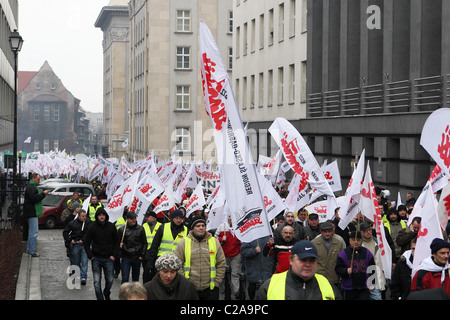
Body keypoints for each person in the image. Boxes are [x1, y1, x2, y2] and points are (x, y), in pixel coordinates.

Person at [255, 240, 341, 300]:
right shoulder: (269, 287)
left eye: (312, 260)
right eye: (303, 260)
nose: (307, 264)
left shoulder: (328, 286)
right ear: (291, 260)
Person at [175, 215, 226, 300]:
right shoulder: (183, 243)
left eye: (203, 226)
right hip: (189, 289)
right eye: (198, 226)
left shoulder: (214, 242)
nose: (201, 228)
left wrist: (216, 282)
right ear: (192, 228)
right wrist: (185, 282)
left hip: (211, 290)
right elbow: (177, 264)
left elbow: (221, 263)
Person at [83, 207, 119, 300]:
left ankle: (106, 292)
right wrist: (90, 256)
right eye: (100, 215)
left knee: (110, 280)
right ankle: (100, 298)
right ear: (97, 216)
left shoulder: (111, 226)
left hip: (109, 258)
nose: (101, 217)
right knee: (96, 281)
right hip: (96, 258)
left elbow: (117, 241)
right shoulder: (92, 227)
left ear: (105, 216)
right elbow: (86, 242)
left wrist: (114, 255)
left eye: (103, 215)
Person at [145, 209, 188, 281]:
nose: (179, 220)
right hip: (162, 261)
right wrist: (150, 263)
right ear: (172, 218)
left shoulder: (186, 230)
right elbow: (154, 246)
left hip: (177, 262)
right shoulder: (163, 227)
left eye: (180, 218)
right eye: (176, 218)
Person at [335, 231, 376, 300]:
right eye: (353, 240)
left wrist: (372, 282)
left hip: (363, 287)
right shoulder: (343, 254)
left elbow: (372, 268)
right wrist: (346, 271)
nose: (356, 242)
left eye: (358, 240)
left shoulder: (367, 252)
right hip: (349, 288)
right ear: (350, 240)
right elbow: (338, 269)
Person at [215, 215, 242, 298]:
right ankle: (221, 295)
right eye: (229, 216)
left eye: (232, 216)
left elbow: (242, 241)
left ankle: (236, 293)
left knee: (235, 274)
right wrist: (221, 239)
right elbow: (214, 239)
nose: (230, 218)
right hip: (223, 255)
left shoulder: (239, 227)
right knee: (221, 275)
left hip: (236, 255)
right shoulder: (221, 226)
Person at [311, 221, 345, 288]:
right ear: (321, 231)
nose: (327, 234)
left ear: (332, 231)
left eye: (329, 231)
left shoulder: (338, 243)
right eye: (325, 232)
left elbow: (342, 260)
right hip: (319, 276)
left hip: (334, 277)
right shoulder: (314, 243)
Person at [117, 211, 147, 284]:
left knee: (135, 279)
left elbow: (144, 243)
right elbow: (116, 243)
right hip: (126, 257)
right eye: (132, 219)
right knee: (125, 278)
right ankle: (124, 294)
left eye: (135, 218)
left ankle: (135, 294)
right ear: (127, 219)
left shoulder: (140, 229)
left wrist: (141, 255)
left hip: (137, 257)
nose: (134, 220)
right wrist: (120, 246)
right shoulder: (122, 230)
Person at [240, 235, 274, 300]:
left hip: (266, 269)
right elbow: (243, 251)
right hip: (253, 270)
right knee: (252, 291)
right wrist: (254, 251)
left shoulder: (270, 236)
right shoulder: (249, 237)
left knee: (266, 292)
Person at [23, 173, 49, 257]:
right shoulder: (31, 187)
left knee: (32, 232)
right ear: (33, 178)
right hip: (32, 212)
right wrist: (43, 194)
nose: (39, 181)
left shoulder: (31, 186)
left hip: (31, 211)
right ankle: (31, 250)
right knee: (33, 232)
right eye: (38, 179)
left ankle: (30, 249)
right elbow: (35, 198)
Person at [360, 222, 387, 300]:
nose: (368, 232)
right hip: (363, 276)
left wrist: (385, 273)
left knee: (377, 297)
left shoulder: (379, 243)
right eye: (366, 230)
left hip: (377, 276)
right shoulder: (358, 245)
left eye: (370, 230)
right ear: (361, 232)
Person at [63, 209, 90, 285]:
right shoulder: (72, 223)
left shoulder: (89, 223)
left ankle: (83, 277)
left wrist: (83, 240)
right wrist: (70, 240)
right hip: (75, 245)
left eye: (85, 216)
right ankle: (78, 274)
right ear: (78, 216)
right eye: (82, 216)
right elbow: (65, 232)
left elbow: (89, 233)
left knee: (85, 261)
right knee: (76, 261)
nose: (84, 218)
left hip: (84, 245)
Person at [142, 210, 162, 283]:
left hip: (156, 252)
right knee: (146, 271)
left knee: (155, 271)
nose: (146, 218)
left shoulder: (161, 226)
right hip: (146, 252)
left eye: (148, 217)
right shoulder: (144, 226)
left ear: (154, 218)